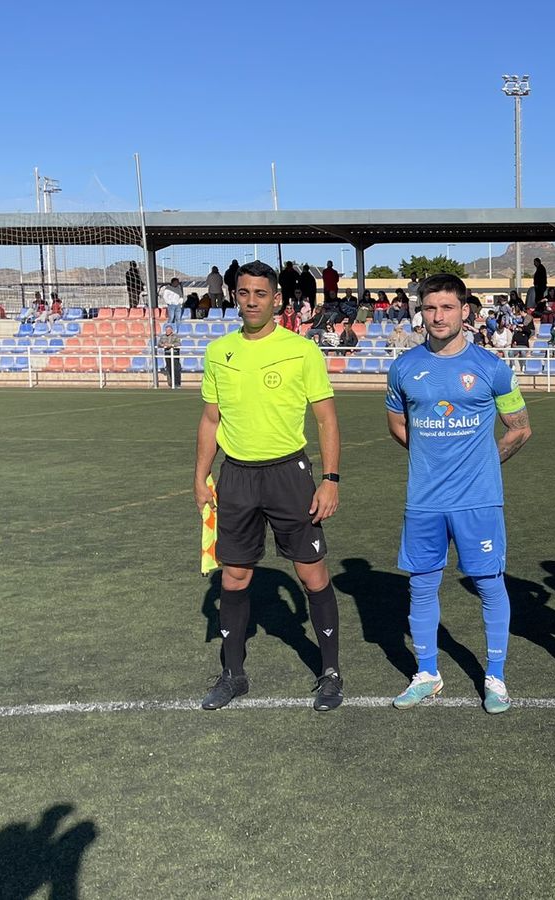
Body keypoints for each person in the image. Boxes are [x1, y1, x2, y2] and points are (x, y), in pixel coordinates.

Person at [194, 260, 343, 712]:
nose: (252, 301)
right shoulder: (219, 352)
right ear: (234, 297)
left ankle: (331, 672)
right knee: (234, 576)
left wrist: (330, 480)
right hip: (236, 476)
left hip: (288, 475)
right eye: (244, 293)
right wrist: (200, 476)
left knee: (311, 574)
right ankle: (233, 675)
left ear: (276, 299)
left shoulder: (301, 350)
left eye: (261, 293)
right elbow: (210, 419)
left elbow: (326, 419)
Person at [385, 273, 532, 714]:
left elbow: (520, 428)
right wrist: (432, 457)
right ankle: (427, 673)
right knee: (422, 586)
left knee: (488, 584)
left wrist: (483, 463)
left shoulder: (491, 367)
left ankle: (495, 677)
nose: (438, 316)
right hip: (424, 499)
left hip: (477, 499)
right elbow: (397, 423)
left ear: (464, 311)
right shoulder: (404, 368)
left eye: (447, 307)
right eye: (430, 308)